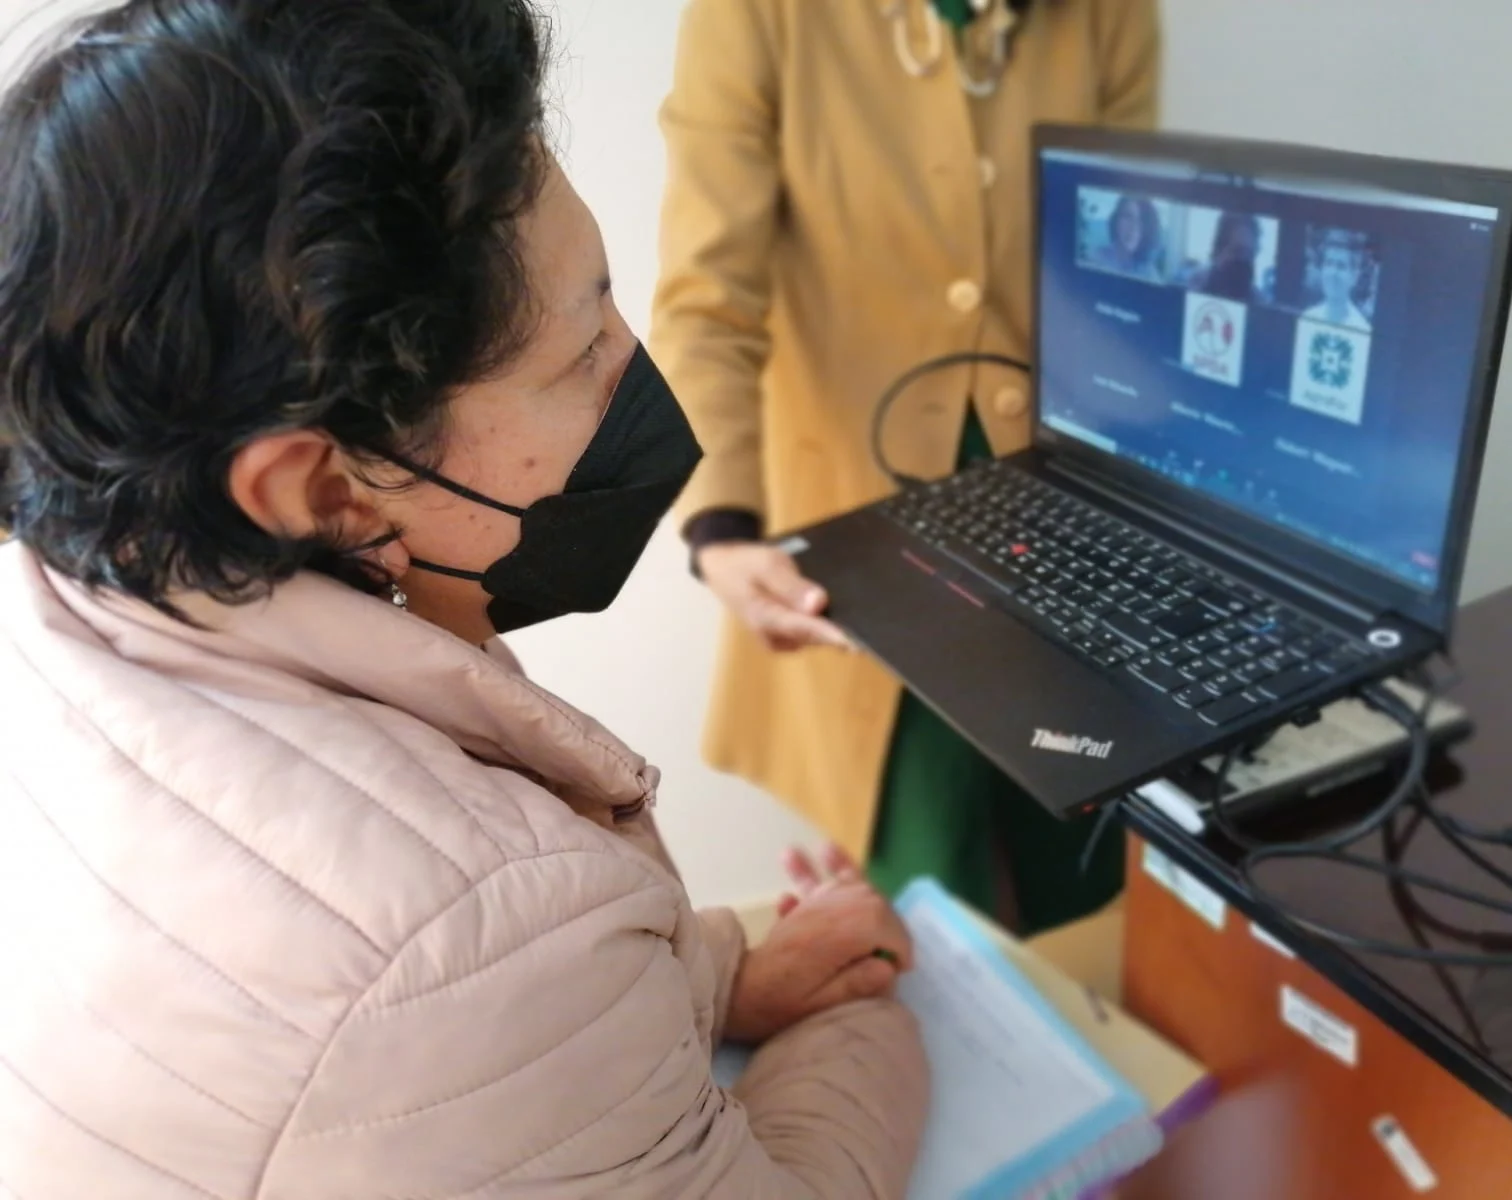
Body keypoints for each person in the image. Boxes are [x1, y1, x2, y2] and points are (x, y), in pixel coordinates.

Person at [0, 3, 928, 1197]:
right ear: (321, 489)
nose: (632, 366)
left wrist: (724, 976)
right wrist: (866, 1011)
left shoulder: (71, 594)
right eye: (583, 348)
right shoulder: (473, 938)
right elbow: (472, 1001)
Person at [653, 0, 1161, 935]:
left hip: (1064, 504)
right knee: (931, 885)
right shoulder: (756, 14)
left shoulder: (1106, 13)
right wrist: (721, 526)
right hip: (866, 537)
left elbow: (1127, 261)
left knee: (1092, 848)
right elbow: (706, 305)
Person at [1302, 232, 1373, 331]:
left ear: (1354, 276)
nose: (1333, 273)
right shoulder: (1307, 319)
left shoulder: (1362, 328)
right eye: (1329, 263)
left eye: (1341, 266)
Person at [1093, 194, 1167, 282]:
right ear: (1116, 221)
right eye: (1128, 217)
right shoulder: (1096, 259)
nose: (1133, 227)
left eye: (1140, 221)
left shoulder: (1150, 275)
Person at [1196, 211, 1266, 303]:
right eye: (1238, 251)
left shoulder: (1260, 302)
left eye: (1250, 254)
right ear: (1218, 251)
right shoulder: (1194, 288)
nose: (1244, 260)